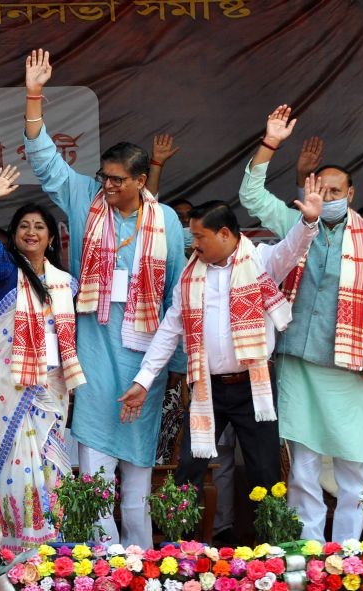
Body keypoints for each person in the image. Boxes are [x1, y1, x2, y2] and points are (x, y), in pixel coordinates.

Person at [23, 49, 186, 547]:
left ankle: (139, 559)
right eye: (105, 178)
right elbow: (45, 159)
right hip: (92, 342)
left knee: (136, 472)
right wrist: (34, 97)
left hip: (143, 356)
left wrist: (173, 365)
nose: (108, 186)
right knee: (92, 466)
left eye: (118, 180)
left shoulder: (169, 223)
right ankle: (101, 560)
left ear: (142, 181)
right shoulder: (84, 200)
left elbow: (177, 297)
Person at [238, 105, 363, 543]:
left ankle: (348, 551)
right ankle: (309, 550)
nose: (329, 196)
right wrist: (270, 143)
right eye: (322, 189)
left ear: (352, 193)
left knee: (355, 463)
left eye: (336, 190)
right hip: (298, 363)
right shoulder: (295, 221)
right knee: (303, 468)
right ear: (311, 190)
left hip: (347, 367)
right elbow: (251, 197)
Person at [122, 195, 321, 500]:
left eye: (200, 236)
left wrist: (308, 223)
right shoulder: (189, 277)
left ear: (225, 233)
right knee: (189, 468)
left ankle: (270, 546)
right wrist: (143, 381)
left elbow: (293, 249)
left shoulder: (261, 261)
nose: (194, 244)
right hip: (208, 388)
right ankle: (181, 544)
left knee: (265, 475)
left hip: (252, 386)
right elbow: (169, 330)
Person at [0, 166, 85, 550]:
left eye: (39, 226)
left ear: (51, 237)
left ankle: (52, 543)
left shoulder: (67, 283)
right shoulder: (7, 273)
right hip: (14, 386)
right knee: (18, 466)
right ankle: (15, 546)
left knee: (52, 467)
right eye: (24, 226)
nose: (31, 232)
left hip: (53, 387)